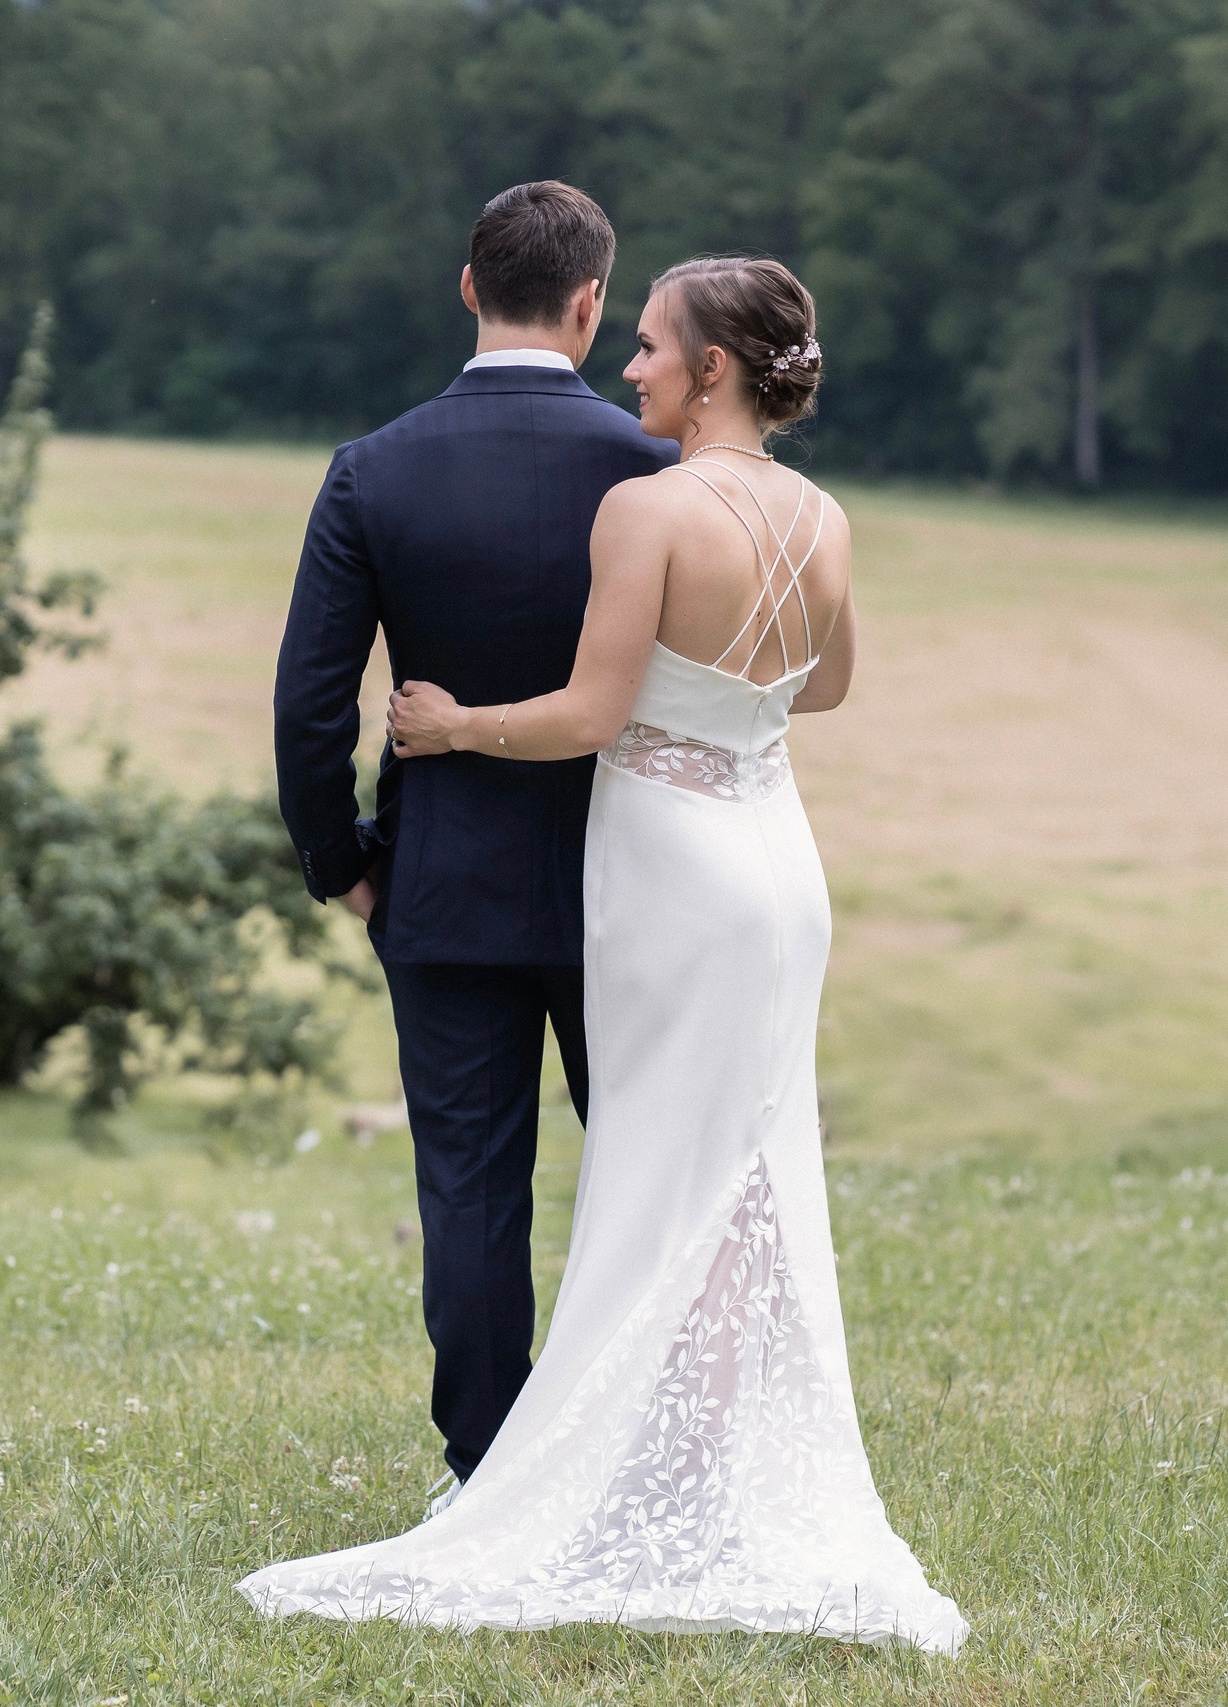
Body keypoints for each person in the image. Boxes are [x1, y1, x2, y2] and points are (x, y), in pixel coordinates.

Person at [244, 243, 969, 1653]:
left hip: (602, 877)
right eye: (620, 330)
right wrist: (716, 719)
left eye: (652, 346)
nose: (626, 361)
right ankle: (705, 1469)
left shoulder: (607, 500)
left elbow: (550, 712)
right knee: (736, 1175)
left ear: (709, 365)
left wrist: (422, 766)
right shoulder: (813, 511)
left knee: (541, 1183)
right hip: (768, 859)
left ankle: (514, 1472)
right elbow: (826, 684)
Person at [269, 181, 674, 1499]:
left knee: (472, 1189)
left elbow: (308, 701)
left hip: (440, 884)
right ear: (592, 302)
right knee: (644, 1174)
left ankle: (487, 1475)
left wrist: (346, 865)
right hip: (630, 884)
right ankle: (637, 1454)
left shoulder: (372, 469)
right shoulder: (654, 473)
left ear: (466, 289)